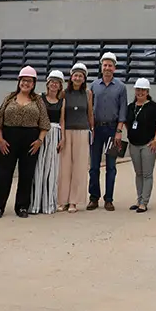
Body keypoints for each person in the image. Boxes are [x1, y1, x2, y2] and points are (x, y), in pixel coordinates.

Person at [0, 66, 50, 218]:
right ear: (19, 81)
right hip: (8, 139)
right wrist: (1, 140)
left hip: (30, 140)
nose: (26, 83)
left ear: (34, 83)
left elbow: (44, 123)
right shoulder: (9, 98)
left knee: (26, 174)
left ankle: (22, 206)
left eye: (29, 81)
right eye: (23, 80)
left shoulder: (38, 101)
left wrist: (39, 141)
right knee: (3, 174)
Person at [87, 51, 127, 211]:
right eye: (105, 65)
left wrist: (119, 131)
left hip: (112, 130)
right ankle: (93, 198)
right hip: (96, 129)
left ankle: (109, 199)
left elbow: (123, 110)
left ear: (114, 68)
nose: (107, 68)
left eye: (110, 65)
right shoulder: (93, 86)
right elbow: (89, 109)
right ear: (101, 67)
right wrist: (90, 127)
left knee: (111, 166)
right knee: (94, 166)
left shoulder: (121, 87)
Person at [58, 63, 93, 213]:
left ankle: (74, 201)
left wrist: (92, 130)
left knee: (79, 167)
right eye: (75, 75)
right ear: (71, 77)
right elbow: (61, 114)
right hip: (67, 131)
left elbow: (90, 113)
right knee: (65, 167)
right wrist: (62, 135)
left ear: (84, 78)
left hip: (82, 131)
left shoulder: (88, 93)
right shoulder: (64, 93)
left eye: (80, 76)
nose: (78, 78)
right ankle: (63, 200)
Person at [126, 77, 156, 213]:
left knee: (147, 174)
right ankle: (139, 199)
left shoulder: (153, 107)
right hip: (134, 144)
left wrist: (155, 140)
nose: (140, 92)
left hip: (148, 144)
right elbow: (127, 123)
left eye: (143, 90)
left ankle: (144, 202)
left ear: (147, 92)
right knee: (138, 173)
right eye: (138, 90)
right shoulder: (131, 107)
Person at [31, 69, 66, 215]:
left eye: (57, 83)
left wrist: (63, 138)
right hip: (41, 134)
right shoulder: (40, 98)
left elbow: (62, 121)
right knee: (38, 168)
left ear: (60, 86)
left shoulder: (62, 102)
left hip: (55, 134)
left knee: (51, 169)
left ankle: (48, 204)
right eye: (52, 82)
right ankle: (35, 204)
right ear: (48, 83)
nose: (54, 84)